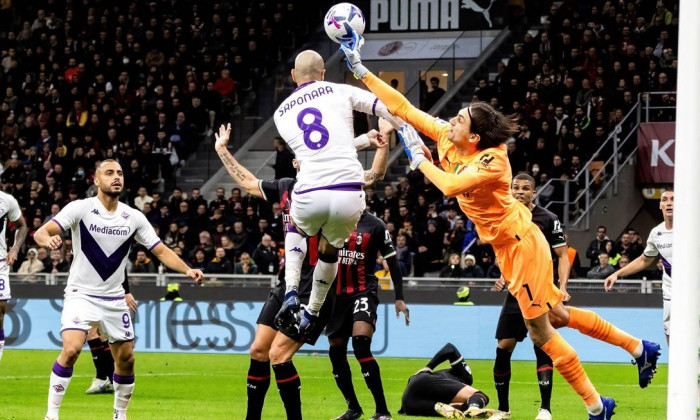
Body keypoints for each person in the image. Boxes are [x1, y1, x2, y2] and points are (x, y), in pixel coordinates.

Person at [341, 32, 660, 419]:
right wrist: (361, 70)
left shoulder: (494, 161)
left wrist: (418, 159)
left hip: (522, 245)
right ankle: (639, 348)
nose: (450, 120)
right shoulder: (448, 137)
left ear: (473, 136)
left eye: (459, 119)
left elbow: (451, 185)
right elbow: (405, 108)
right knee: (557, 317)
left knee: (542, 332)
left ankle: (596, 406)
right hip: (510, 246)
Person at [215, 120, 393, 420]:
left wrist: (384, 141)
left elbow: (374, 176)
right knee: (259, 351)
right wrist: (222, 150)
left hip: (318, 289)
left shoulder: (335, 185)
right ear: (296, 162)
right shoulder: (286, 187)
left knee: (278, 355)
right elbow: (247, 182)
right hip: (287, 284)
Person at [34, 159, 204, 420]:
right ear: (96, 180)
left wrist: (187, 270)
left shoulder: (133, 217)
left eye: (120, 173)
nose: (116, 177)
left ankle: (119, 415)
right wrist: (49, 239)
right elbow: (42, 232)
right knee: (71, 349)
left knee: (126, 360)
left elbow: (159, 250)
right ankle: (51, 414)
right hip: (81, 294)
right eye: (110, 173)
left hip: (114, 298)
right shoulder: (81, 208)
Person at [272, 49, 401, 342]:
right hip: (349, 194)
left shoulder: (281, 114)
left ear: (293, 76)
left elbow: (319, 151)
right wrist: (395, 132)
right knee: (331, 251)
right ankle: (312, 312)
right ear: (322, 74)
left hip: (311, 190)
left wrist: (361, 141)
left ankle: (291, 291)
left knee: (295, 228)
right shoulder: (341, 91)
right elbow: (388, 108)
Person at [490, 173, 571, 420]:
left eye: (525, 188)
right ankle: (503, 409)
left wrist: (563, 286)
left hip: (540, 292)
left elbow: (562, 256)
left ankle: (545, 409)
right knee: (503, 348)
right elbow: (502, 252)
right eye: (515, 187)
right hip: (515, 293)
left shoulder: (548, 219)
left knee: (542, 346)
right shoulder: (505, 216)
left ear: (533, 193)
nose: (519, 192)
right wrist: (504, 274)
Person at [327, 210, 409, 420]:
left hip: (364, 290)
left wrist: (399, 297)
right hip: (336, 295)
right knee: (336, 351)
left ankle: (382, 411)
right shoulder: (331, 217)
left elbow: (393, 261)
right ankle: (353, 408)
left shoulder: (376, 224)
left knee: (361, 343)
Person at [605, 189, 673, 343]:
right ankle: (676, 366)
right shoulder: (657, 233)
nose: (669, 203)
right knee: (671, 333)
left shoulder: (692, 229)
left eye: (673, 199)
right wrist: (617, 274)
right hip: (671, 293)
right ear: (660, 205)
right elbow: (644, 260)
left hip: (693, 292)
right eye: (665, 199)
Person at [399, 343, 494, 418]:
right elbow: (450, 348)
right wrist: (429, 367)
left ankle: (461, 408)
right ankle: (474, 407)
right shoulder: (466, 377)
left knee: (449, 408)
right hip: (422, 382)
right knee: (480, 396)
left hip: (409, 404)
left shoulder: (445, 383)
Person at [86, 269, 138, 395]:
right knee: (97, 334)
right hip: (89, 290)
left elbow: (122, 266)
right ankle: (108, 378)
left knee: (95, 333)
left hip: (108, 292)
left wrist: (126, 291)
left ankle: (102, 378)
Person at [0, 189, 28, 365]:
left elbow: (22, 225)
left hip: (0, 262)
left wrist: (15, 248)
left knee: (0, 312)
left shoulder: (6, 200)